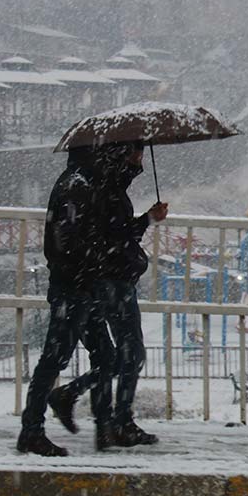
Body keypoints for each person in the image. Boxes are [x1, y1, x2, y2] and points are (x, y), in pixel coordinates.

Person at [17, 147, 120, 456]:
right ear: (94, 155)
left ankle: (67, 396)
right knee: (53, 360)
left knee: (106, 355)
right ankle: (31, 430)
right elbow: (68, 240)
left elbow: (78, 235)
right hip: (73, 288)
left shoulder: (82, 183)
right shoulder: (75, 186)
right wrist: (96, 261)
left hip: (82, 288)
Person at [82, 142, 166, 448]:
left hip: (106, 279)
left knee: (109, 355)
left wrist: (145, 219)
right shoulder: (110, 188)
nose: (139, 159)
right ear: (121, 154)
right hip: (114, 281)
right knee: (132, 353)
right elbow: (117, 235)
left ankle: (108, 423)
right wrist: (147, 220)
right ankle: (120, 421)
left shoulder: (106, 183)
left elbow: (114, 232)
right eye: (136, 153)